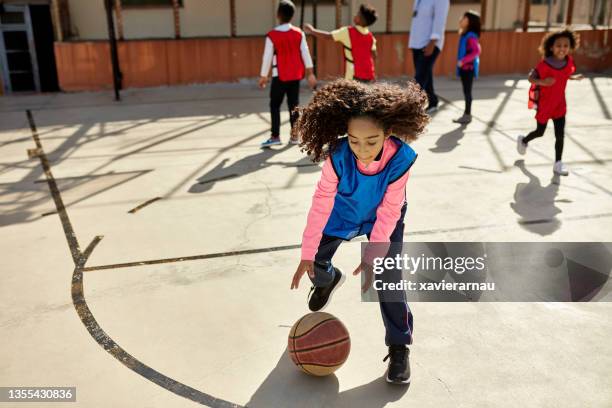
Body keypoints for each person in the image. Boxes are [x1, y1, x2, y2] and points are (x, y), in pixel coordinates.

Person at [289, 79, 429, 385]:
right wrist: (307, 253)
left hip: (383, 217)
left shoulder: (400, 158)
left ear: (388, 133)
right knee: (315, 263)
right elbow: (321, 202)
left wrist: (376, 253)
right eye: (354, 140)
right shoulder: (337, 156)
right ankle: (328, 279)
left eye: (371, 140)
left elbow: (391, 209)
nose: (362, 150)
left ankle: (399, 347)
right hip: (342, 211)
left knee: (387, 280)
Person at [517, 28, 583, 176]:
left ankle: (558, 163)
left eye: (566, 45)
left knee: (560, 135)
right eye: (558, 45)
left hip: (560, 105)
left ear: (570, 47)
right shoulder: (545, 64)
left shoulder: (568, 62)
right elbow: (530, 77)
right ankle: (524, 140)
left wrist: (574, 77)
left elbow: (564, 75)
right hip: (545, 106)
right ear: (551, 47)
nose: (562, 49)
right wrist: (543, 82)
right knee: (540, 132)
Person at [259, 0, 317, 148]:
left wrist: (263, 76)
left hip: (279, 76)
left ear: (278, 15)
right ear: (292, 15)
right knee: (294, 106)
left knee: (275, 105)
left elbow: (267, 57)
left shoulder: (272, 35)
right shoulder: (299, 34)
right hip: (295, 76)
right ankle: (294, 136)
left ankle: (275, 136)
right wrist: (310, 73)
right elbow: (306, 53)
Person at [304, 4, 378, 83]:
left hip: (353, 75)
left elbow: (328, 36)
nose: (355, 15)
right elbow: (374, 56)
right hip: (369, 74)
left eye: (357, 14)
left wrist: (312, 30)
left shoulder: (348, 31)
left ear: (360, 19)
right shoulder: (370, 36)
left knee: (352, 95)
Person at [409, 0, 450, 114]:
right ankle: (433, 101)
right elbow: (417, 20)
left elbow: (440, 20)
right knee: (425, 75)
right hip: (417, 42)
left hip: (430, 43)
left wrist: (432, 41)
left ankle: (409, 112)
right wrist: (412, 42)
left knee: (419, 80)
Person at [453, 10, 481, 124]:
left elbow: (476, 51)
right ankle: (467, 114)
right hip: (465, 69)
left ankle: (467, 115)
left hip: (468, 69)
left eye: (464, 18)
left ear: (470, 22)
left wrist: (463, 61)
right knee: (466, 91)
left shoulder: (471, 36)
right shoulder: (465, 34)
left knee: (467, 92)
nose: (461, 19)